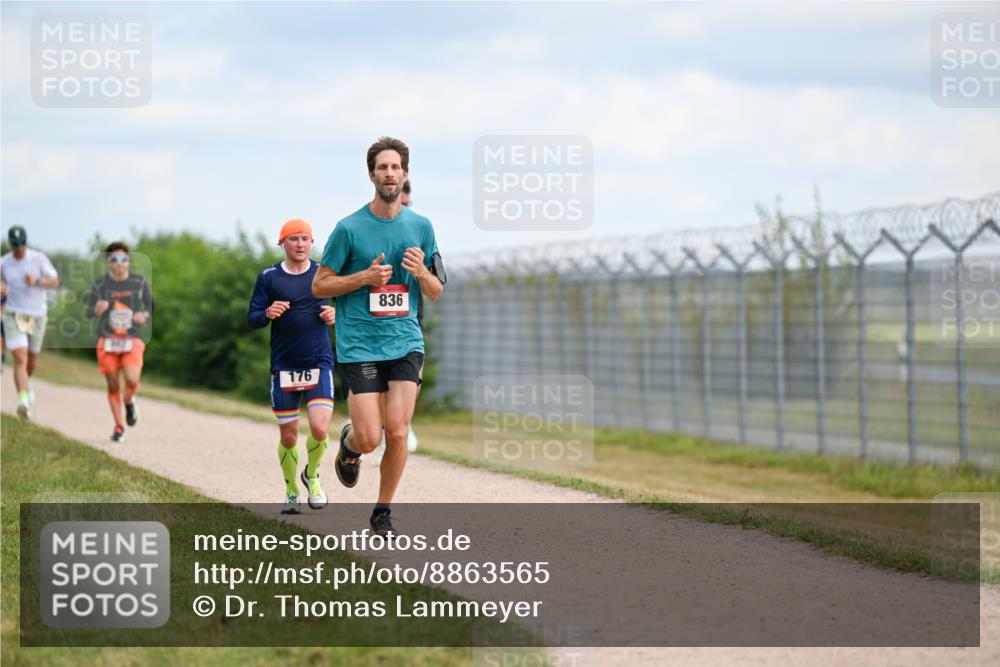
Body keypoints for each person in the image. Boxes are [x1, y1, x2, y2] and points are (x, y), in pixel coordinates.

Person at [313, 137, 445, 536]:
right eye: (382, 167)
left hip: (405, 340)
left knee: (399, 430)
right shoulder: (348, 229)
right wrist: (365, 278)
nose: (389, 173)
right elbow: (321, 285)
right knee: (371, 437)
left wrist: (421, 272)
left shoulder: (422, 227)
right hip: (360, 345)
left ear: (405, 175)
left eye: (396, 167)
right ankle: (350, 445)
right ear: (371, 174)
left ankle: (383, 510)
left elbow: (437, 290)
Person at [249, 219, 336, 515]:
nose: (300, 244)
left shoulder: (323, 273)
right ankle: (290, 491)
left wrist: (335, 314)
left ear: (312, 242)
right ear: (282, 243)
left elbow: (346, 306)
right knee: (288, 436)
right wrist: (267, 313)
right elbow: (251, 317)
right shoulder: (269, 277)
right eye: (293, 239)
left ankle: (312, 475)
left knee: (320, 428)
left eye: (305, 239)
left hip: (319, 363)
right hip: (284, 366)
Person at [86, 242, 154, 442]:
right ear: (108, 263)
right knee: (113, 384)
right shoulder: (100, 285)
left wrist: (144, 316)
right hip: (107, 341)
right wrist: (97, 309)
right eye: (114, 260)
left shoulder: (139, 283)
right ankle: (118, 426)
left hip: (131, 339)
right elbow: (89, 312)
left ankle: (129, 402)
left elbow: (151, 307)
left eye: (123, 259)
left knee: (132, 380)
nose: (119, 263)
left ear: (128, 262)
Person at [0, 226, 60, 419]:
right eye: (15, 244)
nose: (19, 248)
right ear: (10, 244)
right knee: (20, 357)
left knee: (31, 361)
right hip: (14, 314)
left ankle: (26, 385)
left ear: (26, 242)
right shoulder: (4, 263)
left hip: (37, 315)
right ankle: (23, 400)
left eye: (22, 244)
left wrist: (36, 281)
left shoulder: (38, 259)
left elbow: (55, 281)